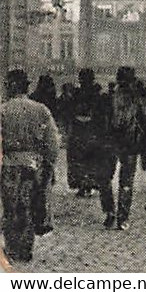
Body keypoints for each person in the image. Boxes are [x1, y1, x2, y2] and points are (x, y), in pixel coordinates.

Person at [1, 69, 60, 262]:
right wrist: (49, 166)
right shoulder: (41, 110)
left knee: (11, 206)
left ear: (10, 87)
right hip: (34, 165)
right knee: (28, 204)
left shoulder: (3, 110)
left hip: (9, 165)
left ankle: (12, 246)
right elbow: (52, 143)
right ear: (27, 87)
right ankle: (26, 248)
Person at [101, 67, 144, 230]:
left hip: (110, 143)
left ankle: (109, 211)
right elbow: (145, 119)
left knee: (105, 179)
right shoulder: (137, 99)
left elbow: (103, 122)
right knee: (126, 182)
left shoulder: (109, 98)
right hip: (130, 144)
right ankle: (123, 217)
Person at [65, 69, 106, 199]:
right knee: (91, 159)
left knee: (78, 159)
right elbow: (102, 115)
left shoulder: (76, 94)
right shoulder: (98, 95)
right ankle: (89, 185)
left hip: (79, 131)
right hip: (92, 131)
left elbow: (69, 112)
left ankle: (83, 185)